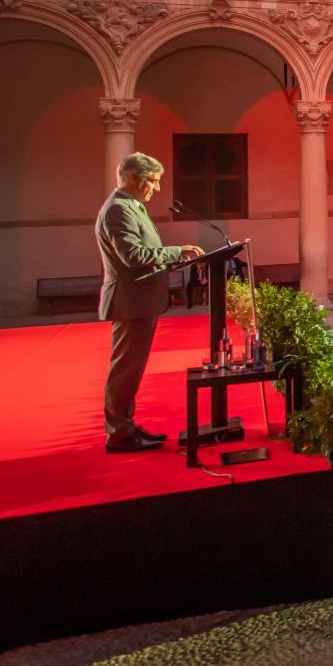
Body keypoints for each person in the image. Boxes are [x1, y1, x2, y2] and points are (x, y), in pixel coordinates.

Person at [98, 153, 203, 453]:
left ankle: (126, 426)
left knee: (131, 368)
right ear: (132, 177)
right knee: (125, 369)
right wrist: (175, 252)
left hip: (141, 300)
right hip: (132, 302)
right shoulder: (118, 210)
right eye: (153, 181)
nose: (156, 188)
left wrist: (171, 257)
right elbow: (133, 257)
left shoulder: (132, 207)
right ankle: (119, 433)